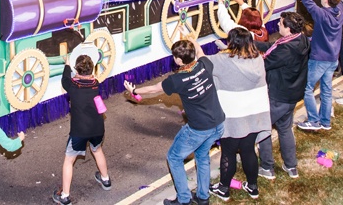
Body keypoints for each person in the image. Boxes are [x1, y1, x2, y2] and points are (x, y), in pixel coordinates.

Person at [124, 39, 224, 205]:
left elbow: (154, 88)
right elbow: (200, 51)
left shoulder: (177, 80)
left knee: (174, 157)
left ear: (178, 60)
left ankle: (184, 199)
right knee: (202, 156)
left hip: (198, 129)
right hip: (218, 124)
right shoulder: (205, 64)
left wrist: (134, 90)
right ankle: (203, 197)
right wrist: (192, 40)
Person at [207, 28, 271, 201]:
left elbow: (202, 60)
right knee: (248, 151)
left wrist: (192, 42)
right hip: (254, 115)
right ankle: (253, 187)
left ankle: (223, 189)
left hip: (233, 116)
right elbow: (237, 58)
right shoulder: (257, 59)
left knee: (228, 152)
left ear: (231, 43)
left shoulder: (222, 60)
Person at [255, 12, 310, 180]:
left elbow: (263, 64)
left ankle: (267, 167)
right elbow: (273, 46)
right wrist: (251, 42)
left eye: (280, 23)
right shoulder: (300, 39)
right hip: (292, 94)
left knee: (263, 129)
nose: (278, 24)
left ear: (288, 28)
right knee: (285, 129)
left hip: (278, 96)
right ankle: (291, 166)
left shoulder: (285, 50)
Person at [53, 54, 110, 205]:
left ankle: (65, 196)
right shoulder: (96, 84)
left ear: (77, 70)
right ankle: (105, 179)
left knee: (69, 160)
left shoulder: (72, 87)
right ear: (92, 69)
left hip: (79, 131)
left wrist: (66, 63)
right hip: (98, 128)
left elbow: (66, 78)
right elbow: (83, 79)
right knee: (97, 150)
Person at [294, 0, 343, 131]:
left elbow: (307, 0)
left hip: (319, 59)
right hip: (333, 58)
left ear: (326, 1)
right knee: (326, 90)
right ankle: (325, 121)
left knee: (307, 88)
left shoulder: (322, 15)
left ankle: (314, 121)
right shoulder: (340, 11)